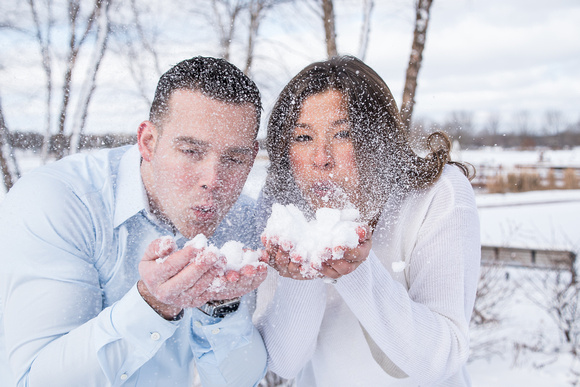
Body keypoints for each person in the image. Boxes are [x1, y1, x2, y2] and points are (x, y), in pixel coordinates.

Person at [0, 56, 268, 386]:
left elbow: (237, 381)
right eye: (191, 151)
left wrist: (221, 307)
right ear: (148, 143)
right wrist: (153, 306)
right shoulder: (57, 200)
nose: (213, 179)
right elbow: (34, 380)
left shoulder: (241, 219)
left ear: (252, 157)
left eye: (234, 158)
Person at [254, 56, 481, 386]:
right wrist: (300, 277)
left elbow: (438, 360)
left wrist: (355, 270)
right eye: (303, 137)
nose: (321, 158)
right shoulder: (284, 209)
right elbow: (287, 362)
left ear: (378, 137)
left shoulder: (435, 194)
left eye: (342, 134)